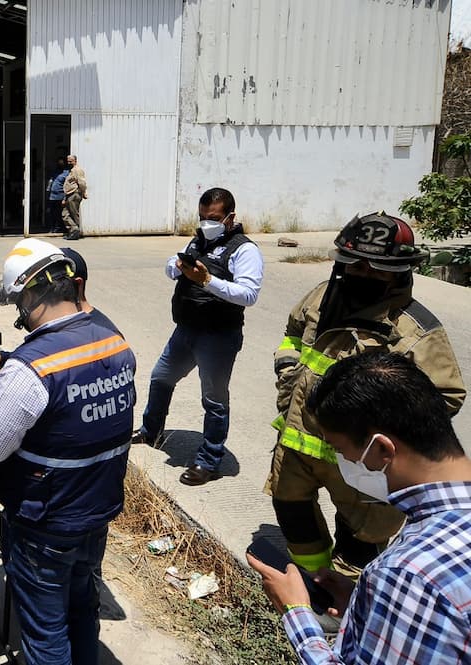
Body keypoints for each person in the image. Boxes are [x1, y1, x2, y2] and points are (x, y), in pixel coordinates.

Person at [0, 238, 136, 665]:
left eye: (19, 301)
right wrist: (7, 381)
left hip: (46, 519)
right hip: (96, 510)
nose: (20, 312)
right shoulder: (113, 340)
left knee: (45, 631)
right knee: (81, 611)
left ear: (32, 293)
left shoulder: (30, 367)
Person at [266, 213, 465, 575]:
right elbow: (293, 334)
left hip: (360, 462)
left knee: (362, 535)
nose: (365, 275)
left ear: (400, 271)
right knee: (291, 510)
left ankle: (346, 599)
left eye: (378, 269)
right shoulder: (322, 298)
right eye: (356, 266)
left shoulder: (414, 329)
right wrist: (287, 373)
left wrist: (375, 427)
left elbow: (446, 395)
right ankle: (314, 577)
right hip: (298, 444)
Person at [248, 352, 471, 664]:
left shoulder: (408, 576)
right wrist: (368, 605)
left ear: (381, 448)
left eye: (340, 451)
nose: (343, 464)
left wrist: (296, 612)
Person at [133, 187, 264, 486]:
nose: (207, 223)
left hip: (218, 337)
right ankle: (151, 432)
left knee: (214, 401)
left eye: (214, 218)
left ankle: (208, 461)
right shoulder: (199, 240)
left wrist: (207, 280)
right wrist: (177, 267)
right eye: (203, 217)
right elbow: (170, 266)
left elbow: (248, 294)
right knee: (160, 378)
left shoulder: (245, 250)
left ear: (230, 217)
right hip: (187, 330)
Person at [0, 246, 120, 374]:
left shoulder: (102, 334)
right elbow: (48, 354)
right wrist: (4, 357)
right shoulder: (68, 326)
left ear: (75, 285)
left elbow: (66, 368)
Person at [61, 154, 87, 241]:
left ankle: (75, 232)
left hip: (74, 194)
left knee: (73, 214)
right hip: (69, 194)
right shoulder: (71, 171)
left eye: (70, 161)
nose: (69, 162)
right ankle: (74, 230)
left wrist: (83, 193)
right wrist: (65, 198)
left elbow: (82, 183)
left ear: (75, 161)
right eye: (68, 161)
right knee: (65, 214)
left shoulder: (77, 170)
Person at [46, 156, 69, 233]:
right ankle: (52, 227)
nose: (60, 164)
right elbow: (50, 182)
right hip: (52, 196)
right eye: (59, 162)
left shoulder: (66, 173)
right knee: (51, 213)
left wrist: (65, 198)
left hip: (61, 196)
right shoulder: (54, 172)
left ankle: (61, 228)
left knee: (60, 213)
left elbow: (68, 186)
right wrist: (48, 191)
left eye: (61, 162)